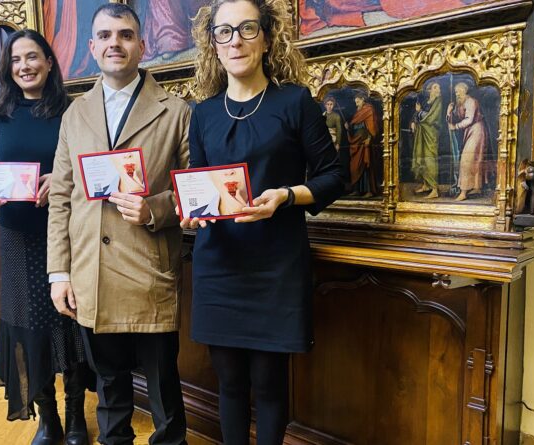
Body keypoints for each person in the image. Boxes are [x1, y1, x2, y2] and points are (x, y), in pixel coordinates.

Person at [184, 1, 347, 443]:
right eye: (224, 32)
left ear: (268, 38)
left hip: (276, 266)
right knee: (230, 385)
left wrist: (288, 196)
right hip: (219, 264)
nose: (235, 39)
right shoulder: (203, 114)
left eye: (247, 28)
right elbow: (199, 185)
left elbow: (336, 176)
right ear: (213, 44)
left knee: (270, 386)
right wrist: (192, 212)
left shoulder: (294, 102)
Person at [46, 4, 191, 445]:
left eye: (125, 35)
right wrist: (59, 273)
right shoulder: (75, 115)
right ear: (92, 48)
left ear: (142, 45)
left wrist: (154, 209)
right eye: (105, 36)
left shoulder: (176, 111)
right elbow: (60, 198)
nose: (115, 43)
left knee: (164, 390)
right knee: (109, 390)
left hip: (149, 272)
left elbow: (194, 193)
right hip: (91, 275)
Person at [0, 29, 94, 445]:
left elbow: (87, 171)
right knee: (29, 328)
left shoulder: (73, 113)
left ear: (48, 62)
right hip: (18, 235)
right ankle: (48, 418)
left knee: (71, 323)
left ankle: (77, 416)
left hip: (68, 233)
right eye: (16, 60)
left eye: (32, 57)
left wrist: (57, 181)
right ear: (8, 69)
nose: (24, 66)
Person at [446, 82, 489, 201]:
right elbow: (452, 119)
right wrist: (449, 112)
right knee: (474, 159)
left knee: (467, 159)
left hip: (477, 130)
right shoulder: (459, 104)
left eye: (459, 91)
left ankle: (464, 192)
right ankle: (476, 187)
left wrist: (456, 126)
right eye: (455, 92)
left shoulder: (471, 101)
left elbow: (469, 120)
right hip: (469, 132)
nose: (457, 94)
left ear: (465, 91)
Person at [410, 81, 443, 199]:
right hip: (422, 133)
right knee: (422, 157)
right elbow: (417, 114)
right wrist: (413, 121)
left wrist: (419, 113)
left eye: (438, 87)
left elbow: (431, 118)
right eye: (435, 87)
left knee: (430, 159)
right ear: (429, 90)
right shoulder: (427, 102)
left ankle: (434, 189)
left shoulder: (438, 102)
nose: (438, 89)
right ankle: (426, 185)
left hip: (431, 134)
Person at [346, 91, 380, 197]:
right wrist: (348, 127)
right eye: (355, 102)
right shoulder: (357, 112)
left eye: (357, 102)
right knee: (355, 166)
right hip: (356, 141)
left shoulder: (369, 109)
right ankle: (357, 190)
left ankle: (369, 190)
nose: (356, 104)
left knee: (366, 164)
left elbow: (372, 126)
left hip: (365, 141)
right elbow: (355, 126)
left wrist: (369, 138)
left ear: (362, 100)